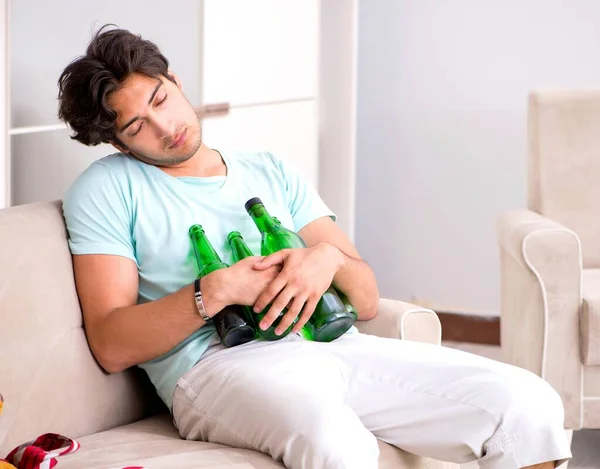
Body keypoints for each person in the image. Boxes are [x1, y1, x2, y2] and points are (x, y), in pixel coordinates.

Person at [57, 25, 572, 469]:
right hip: (216, 369)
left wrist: (326, 260)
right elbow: (110, 342)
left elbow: (366, 299)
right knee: (335, 440)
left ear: (176, 82)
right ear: (121, 144)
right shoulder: (107, 190)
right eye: (136, 126)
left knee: (527, 405)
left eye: (161, 99)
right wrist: (212, 292)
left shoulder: (269, 169)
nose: (165, 127)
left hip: (331, 346)